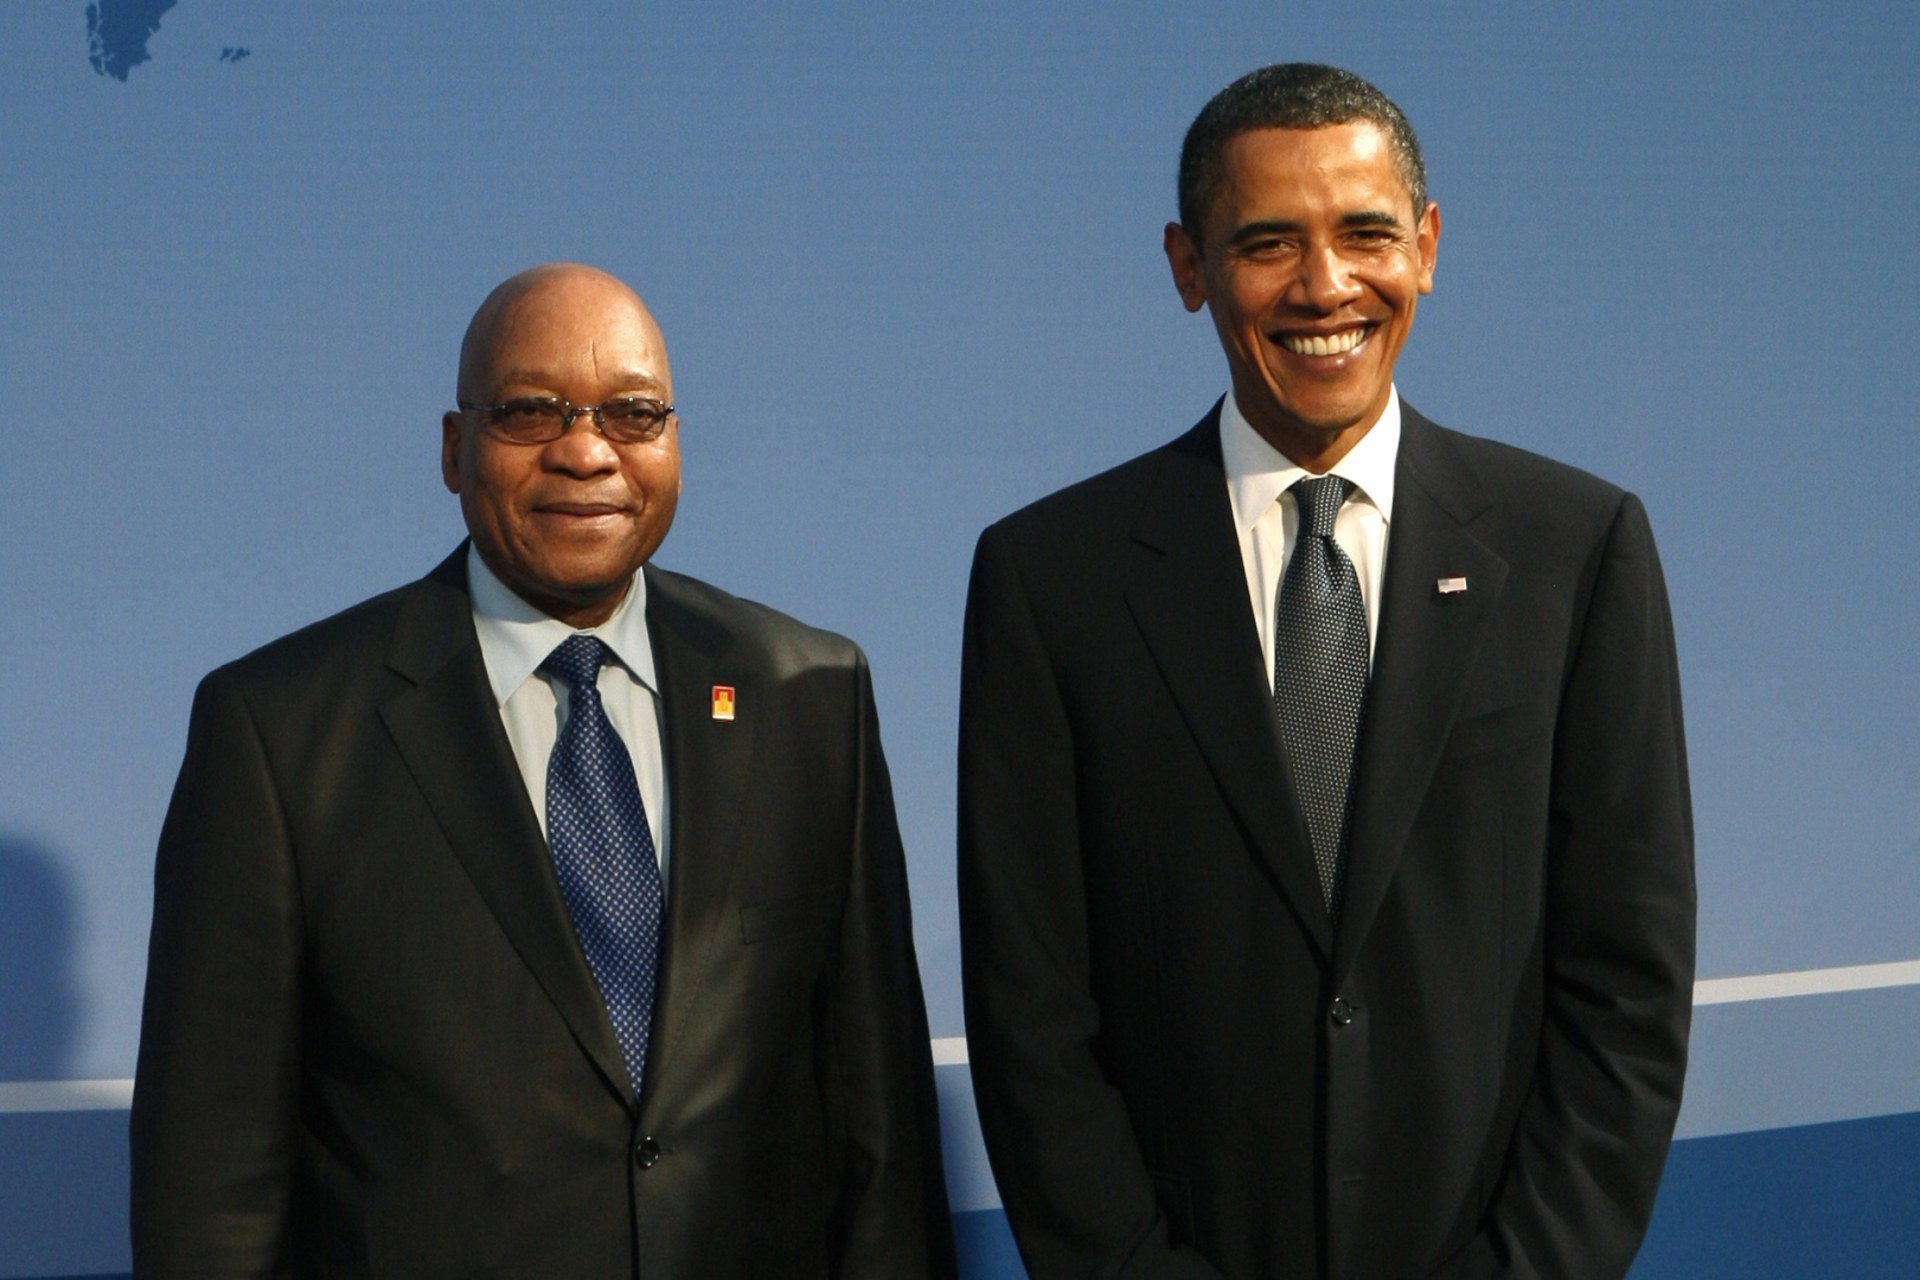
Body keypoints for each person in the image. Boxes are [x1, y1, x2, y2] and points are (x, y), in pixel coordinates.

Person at [958, 64, 1694, 1279]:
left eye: (1365, 234)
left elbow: (1629, 986)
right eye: (1266, 243)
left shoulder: (1578, 548)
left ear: (1430, 245)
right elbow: (1032, 1017)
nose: (1325, 287)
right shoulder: (1053, 580)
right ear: (1188, 266)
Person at [131, 263, 957, 1279]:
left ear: (675, 442)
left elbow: (882, 1142)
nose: (586, 450)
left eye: (632, 412)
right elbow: (210, 1189)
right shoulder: (279, 731)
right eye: (530, 411)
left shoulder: (810, 695)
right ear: (452, 447)